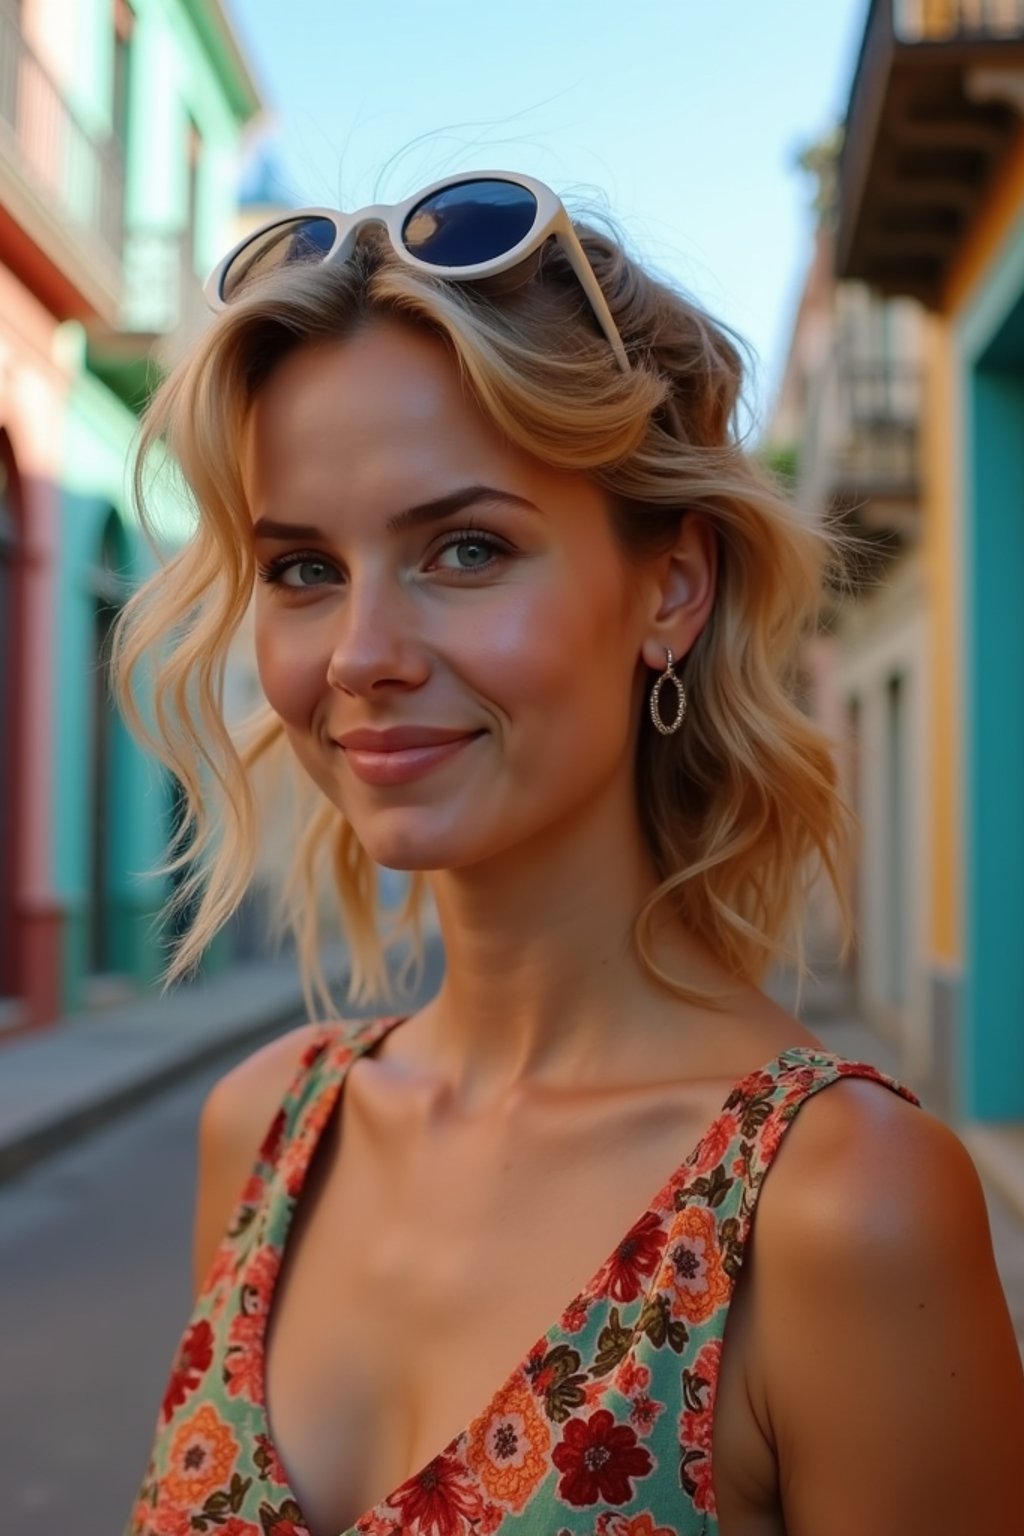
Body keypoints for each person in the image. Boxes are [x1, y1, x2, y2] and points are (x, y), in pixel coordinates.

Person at [115, 173, 1024, 1536]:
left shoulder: (839, 1209)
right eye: (303, 568)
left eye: (466, 548)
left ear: (671, 587)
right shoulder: (264, 1131)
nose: (361, 655)